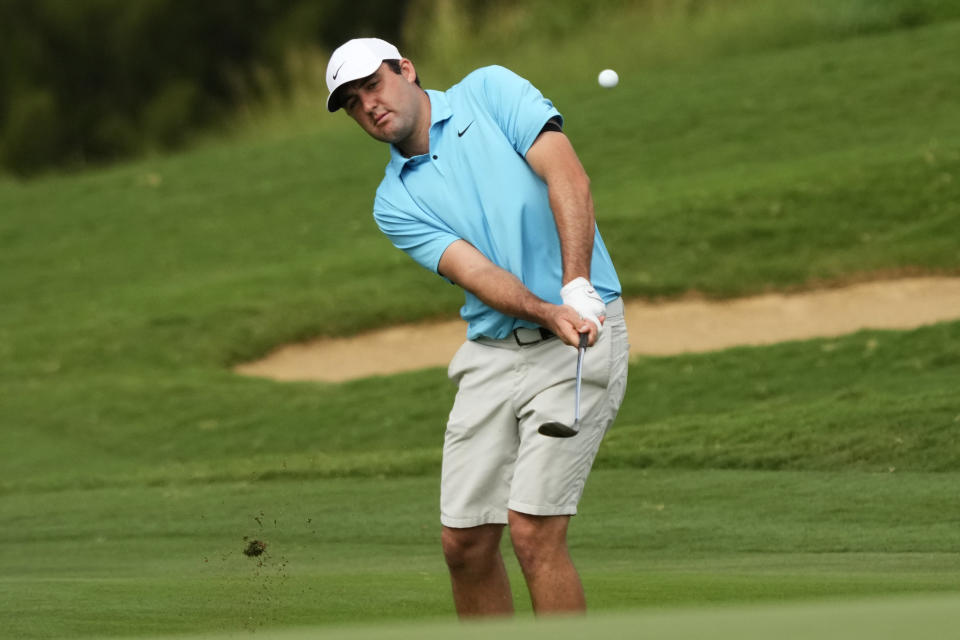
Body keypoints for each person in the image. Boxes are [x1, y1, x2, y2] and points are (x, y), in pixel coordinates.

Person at [325, 38, 629, 617]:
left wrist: (575, 285)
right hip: (491, 354)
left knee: (534, 533)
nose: (369, 105)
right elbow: (478, 273)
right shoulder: (395, 201)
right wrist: (545, 309)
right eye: (353, 102)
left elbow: (568, 178)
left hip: (579, 337)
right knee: (463, 544)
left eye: (374, 85)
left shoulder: (489, 92)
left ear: (406, 71)